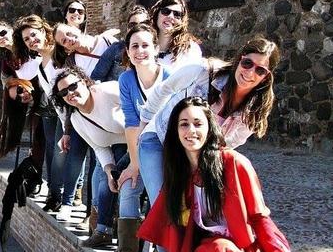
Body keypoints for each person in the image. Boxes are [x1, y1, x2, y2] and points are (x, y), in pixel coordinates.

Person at [137, 37, 281, 207]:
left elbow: (232, 142)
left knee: (192, 210)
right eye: (248, 63)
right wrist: (142, 130)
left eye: (260, 71)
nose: (250, 73)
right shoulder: (203, 71)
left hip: (193, 157)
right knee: (162, 206)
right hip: (159, 139)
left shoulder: (255, 108)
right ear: (239, 59)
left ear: (266, 77)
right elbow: (164, 89)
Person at [137, 96, 290, 252]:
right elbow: (167, 223)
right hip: (201, 246)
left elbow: (259, 217)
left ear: (209, 128)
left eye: (198, 124)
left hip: (236, 247)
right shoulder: (178, 173)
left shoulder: (234, 163)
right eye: (184, 124)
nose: (191, 130)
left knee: (218, 247)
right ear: (175, 132)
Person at [52, 66, 128, 248]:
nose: (70, 93)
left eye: (72, 86)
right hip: (118, 144)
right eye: (63, 92)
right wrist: (109, 170)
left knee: (119, 180)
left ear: (84, 81)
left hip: (142, 137)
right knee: (104, 178)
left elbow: (140, 107)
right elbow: (98, 147)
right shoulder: (77, 119)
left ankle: (119, 233)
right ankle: (103, 229)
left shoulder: (108, 91)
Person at [116, 23, 171, 251]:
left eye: (145, 45)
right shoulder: (126, 80)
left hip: (169, 146)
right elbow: (130, 123)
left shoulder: (169, 77)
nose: (140, 51)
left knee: (160, 200)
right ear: (128, 52)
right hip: (142, 146)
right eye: (134, 46)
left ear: (156, 48)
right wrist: (134, 164)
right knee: (128, 186)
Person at [11, 15, 63, 211]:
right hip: (53, 110)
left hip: (72, 110)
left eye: (33, 34)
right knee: (53, 152)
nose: (31, 40)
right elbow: (22, 75)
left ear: (43, 31)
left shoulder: (61, 50)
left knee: (64, 155)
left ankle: (66, 198)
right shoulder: (38, 62)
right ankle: (54, 195)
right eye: (26, 39)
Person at [91, 5, 151, 82]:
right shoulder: (115, 49)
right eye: (132, 25)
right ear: (127, 28)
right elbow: (96, 79)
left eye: (143, 24)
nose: (137, 28)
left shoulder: (153, 51)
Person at [150, 0, 202, 74]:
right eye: (166, 11)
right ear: (157, 15)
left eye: (177, 14)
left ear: (182, 21)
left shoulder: (190, 50)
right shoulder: (145, 44)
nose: (171, 16)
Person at [0, 21, 18, 87]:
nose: (0, 38)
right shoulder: (7, 60)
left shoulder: (27, 47)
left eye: (3, 33)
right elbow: (7, 85)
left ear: (11, 31)